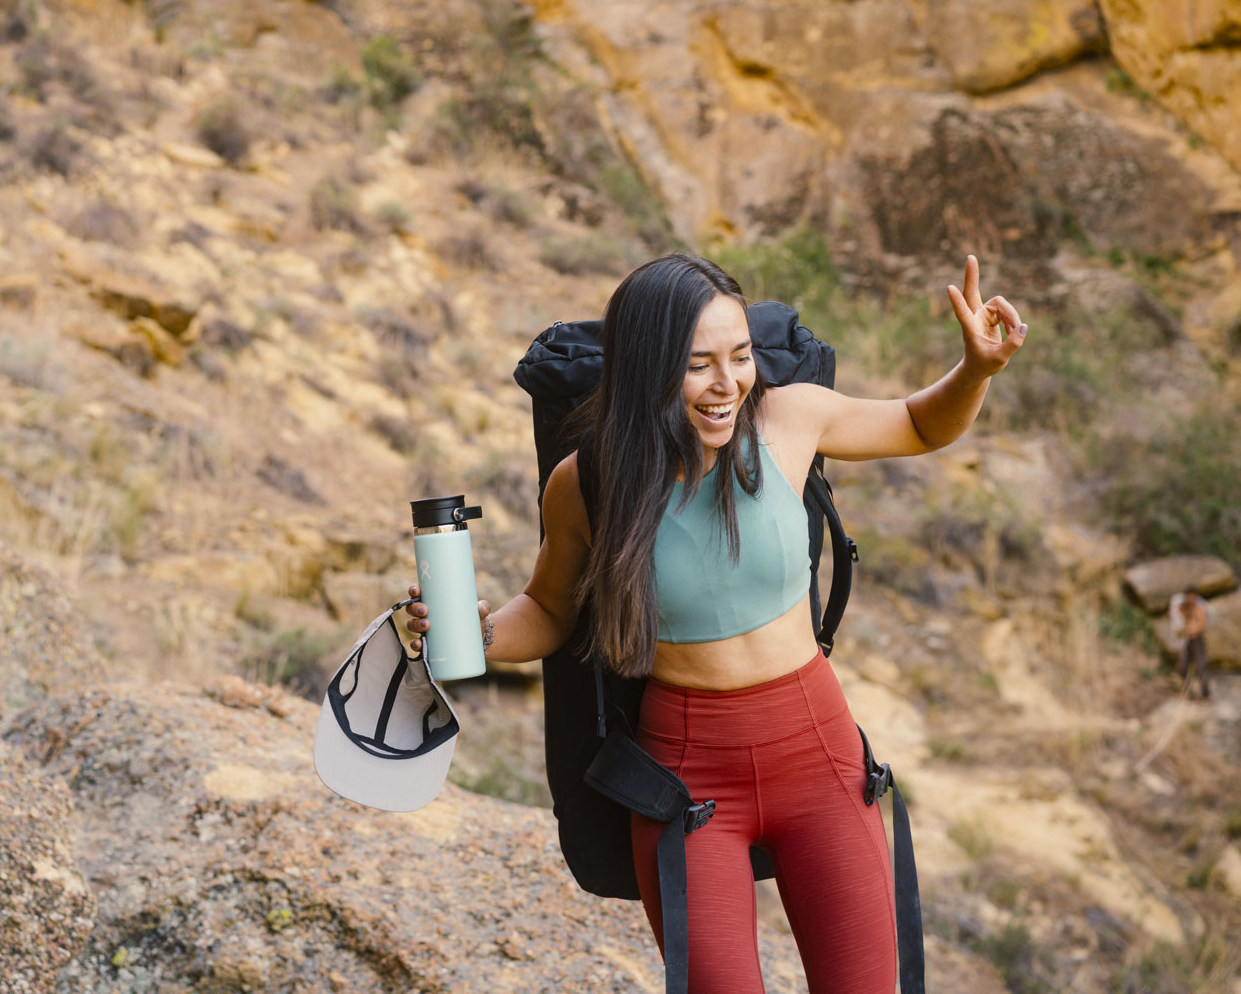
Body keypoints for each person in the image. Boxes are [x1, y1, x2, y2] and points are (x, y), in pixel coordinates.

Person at [406, 252, 1028, 993]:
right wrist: (471, 636)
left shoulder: (790, 418)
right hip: (686, 779)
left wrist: (976, 370)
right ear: (646, 367)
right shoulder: (589, 479)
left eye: (739, 358)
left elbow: (922, 426)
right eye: (698, 364)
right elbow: (548, 610)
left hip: (818, 754)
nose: (727, 383)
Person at [1169, 586, 1212, 699]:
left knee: (1201, 667)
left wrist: (1189, 629)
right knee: (1182, 667)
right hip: (1187, 641)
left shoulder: (1199, 609)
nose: (1190, 598)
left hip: (1197, 640)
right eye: (1188, 596)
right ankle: (1188, 691)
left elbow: (1202, 625)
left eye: (1192, 596)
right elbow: (1174, 616)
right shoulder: (1184, 608)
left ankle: (1205, 695)